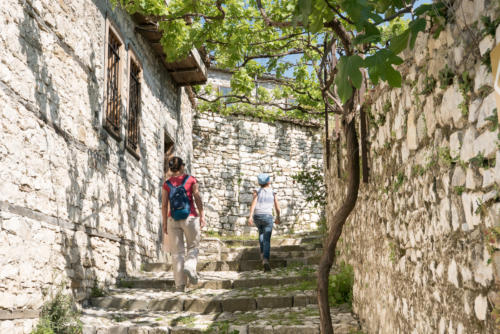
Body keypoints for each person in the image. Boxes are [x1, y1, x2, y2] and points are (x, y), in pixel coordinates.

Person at [162, 157, 206, 292]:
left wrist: (164, 223)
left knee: (177, 253)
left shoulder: (167, 184)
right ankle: (190, 265)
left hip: (172, 219)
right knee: (193, 246)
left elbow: (164, 205)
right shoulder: (191, 179)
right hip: (190, 217)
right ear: (181, 167)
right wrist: (202, 214)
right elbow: (197, 197)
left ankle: (180, 286)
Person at [248, 173, 281, 272]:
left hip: (257, 216)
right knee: (267, 238)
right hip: (267, 216)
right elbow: (277, 207)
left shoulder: (257, 191)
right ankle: (265, 259)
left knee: (261, 233)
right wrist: (278, 217)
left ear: (259, 183)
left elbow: (253, 203)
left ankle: (262, 253)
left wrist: (250, 216)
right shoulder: (273, 192)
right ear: (268, 182)